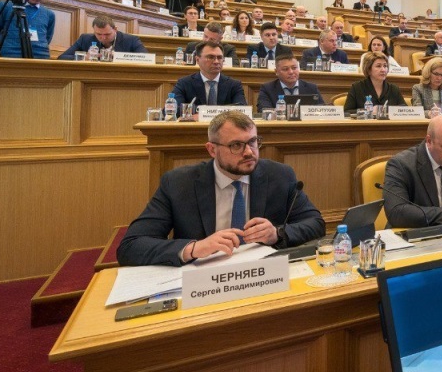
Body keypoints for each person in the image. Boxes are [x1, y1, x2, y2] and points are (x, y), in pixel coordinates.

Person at [117, 111, 325, 266]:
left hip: (263, 275)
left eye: (253, 141)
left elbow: (315, 223)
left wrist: (277, 233)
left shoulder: (280, 175)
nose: (249, 152)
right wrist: (194, 248)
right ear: (212, 150)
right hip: (204, 282)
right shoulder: (179, 183)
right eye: (236, 145)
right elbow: (131, 246)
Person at [171, 41, 246, 113]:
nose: (216, 61)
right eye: (210, 57)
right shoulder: (184, 83)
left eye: (219, 57)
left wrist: (203, 113)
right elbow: (173, 109)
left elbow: (242, 110)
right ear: (197, 60)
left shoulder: (234, 85)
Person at [57, 15, 147, 59]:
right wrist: (84, 57)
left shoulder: (131, 40)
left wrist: (119, 57)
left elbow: (145, 58)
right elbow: (62, 57)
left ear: (115, 29)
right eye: (99, 34)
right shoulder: (85, 39)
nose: (103, 38)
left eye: (107, 34)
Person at [256, 54, 323, 111]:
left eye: (294, 68)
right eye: (285, 69)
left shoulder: (311, 88)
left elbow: (322, 109)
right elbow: (264, 110)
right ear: (276, 72)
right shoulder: (267, 89)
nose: (291, 72)